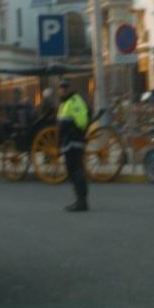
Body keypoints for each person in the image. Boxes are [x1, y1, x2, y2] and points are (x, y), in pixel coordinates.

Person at [57, 79, 90, 212]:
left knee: (76, 171)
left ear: (69, 88)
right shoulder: (65, 103)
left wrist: (73, 129)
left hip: (74, 142)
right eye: (61, 88)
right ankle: (79, 200)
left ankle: (81, 202)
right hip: (68, 142)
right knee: (74, 171)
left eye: (65, 87)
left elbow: (81, 122)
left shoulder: (74, 101)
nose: (63, 90)